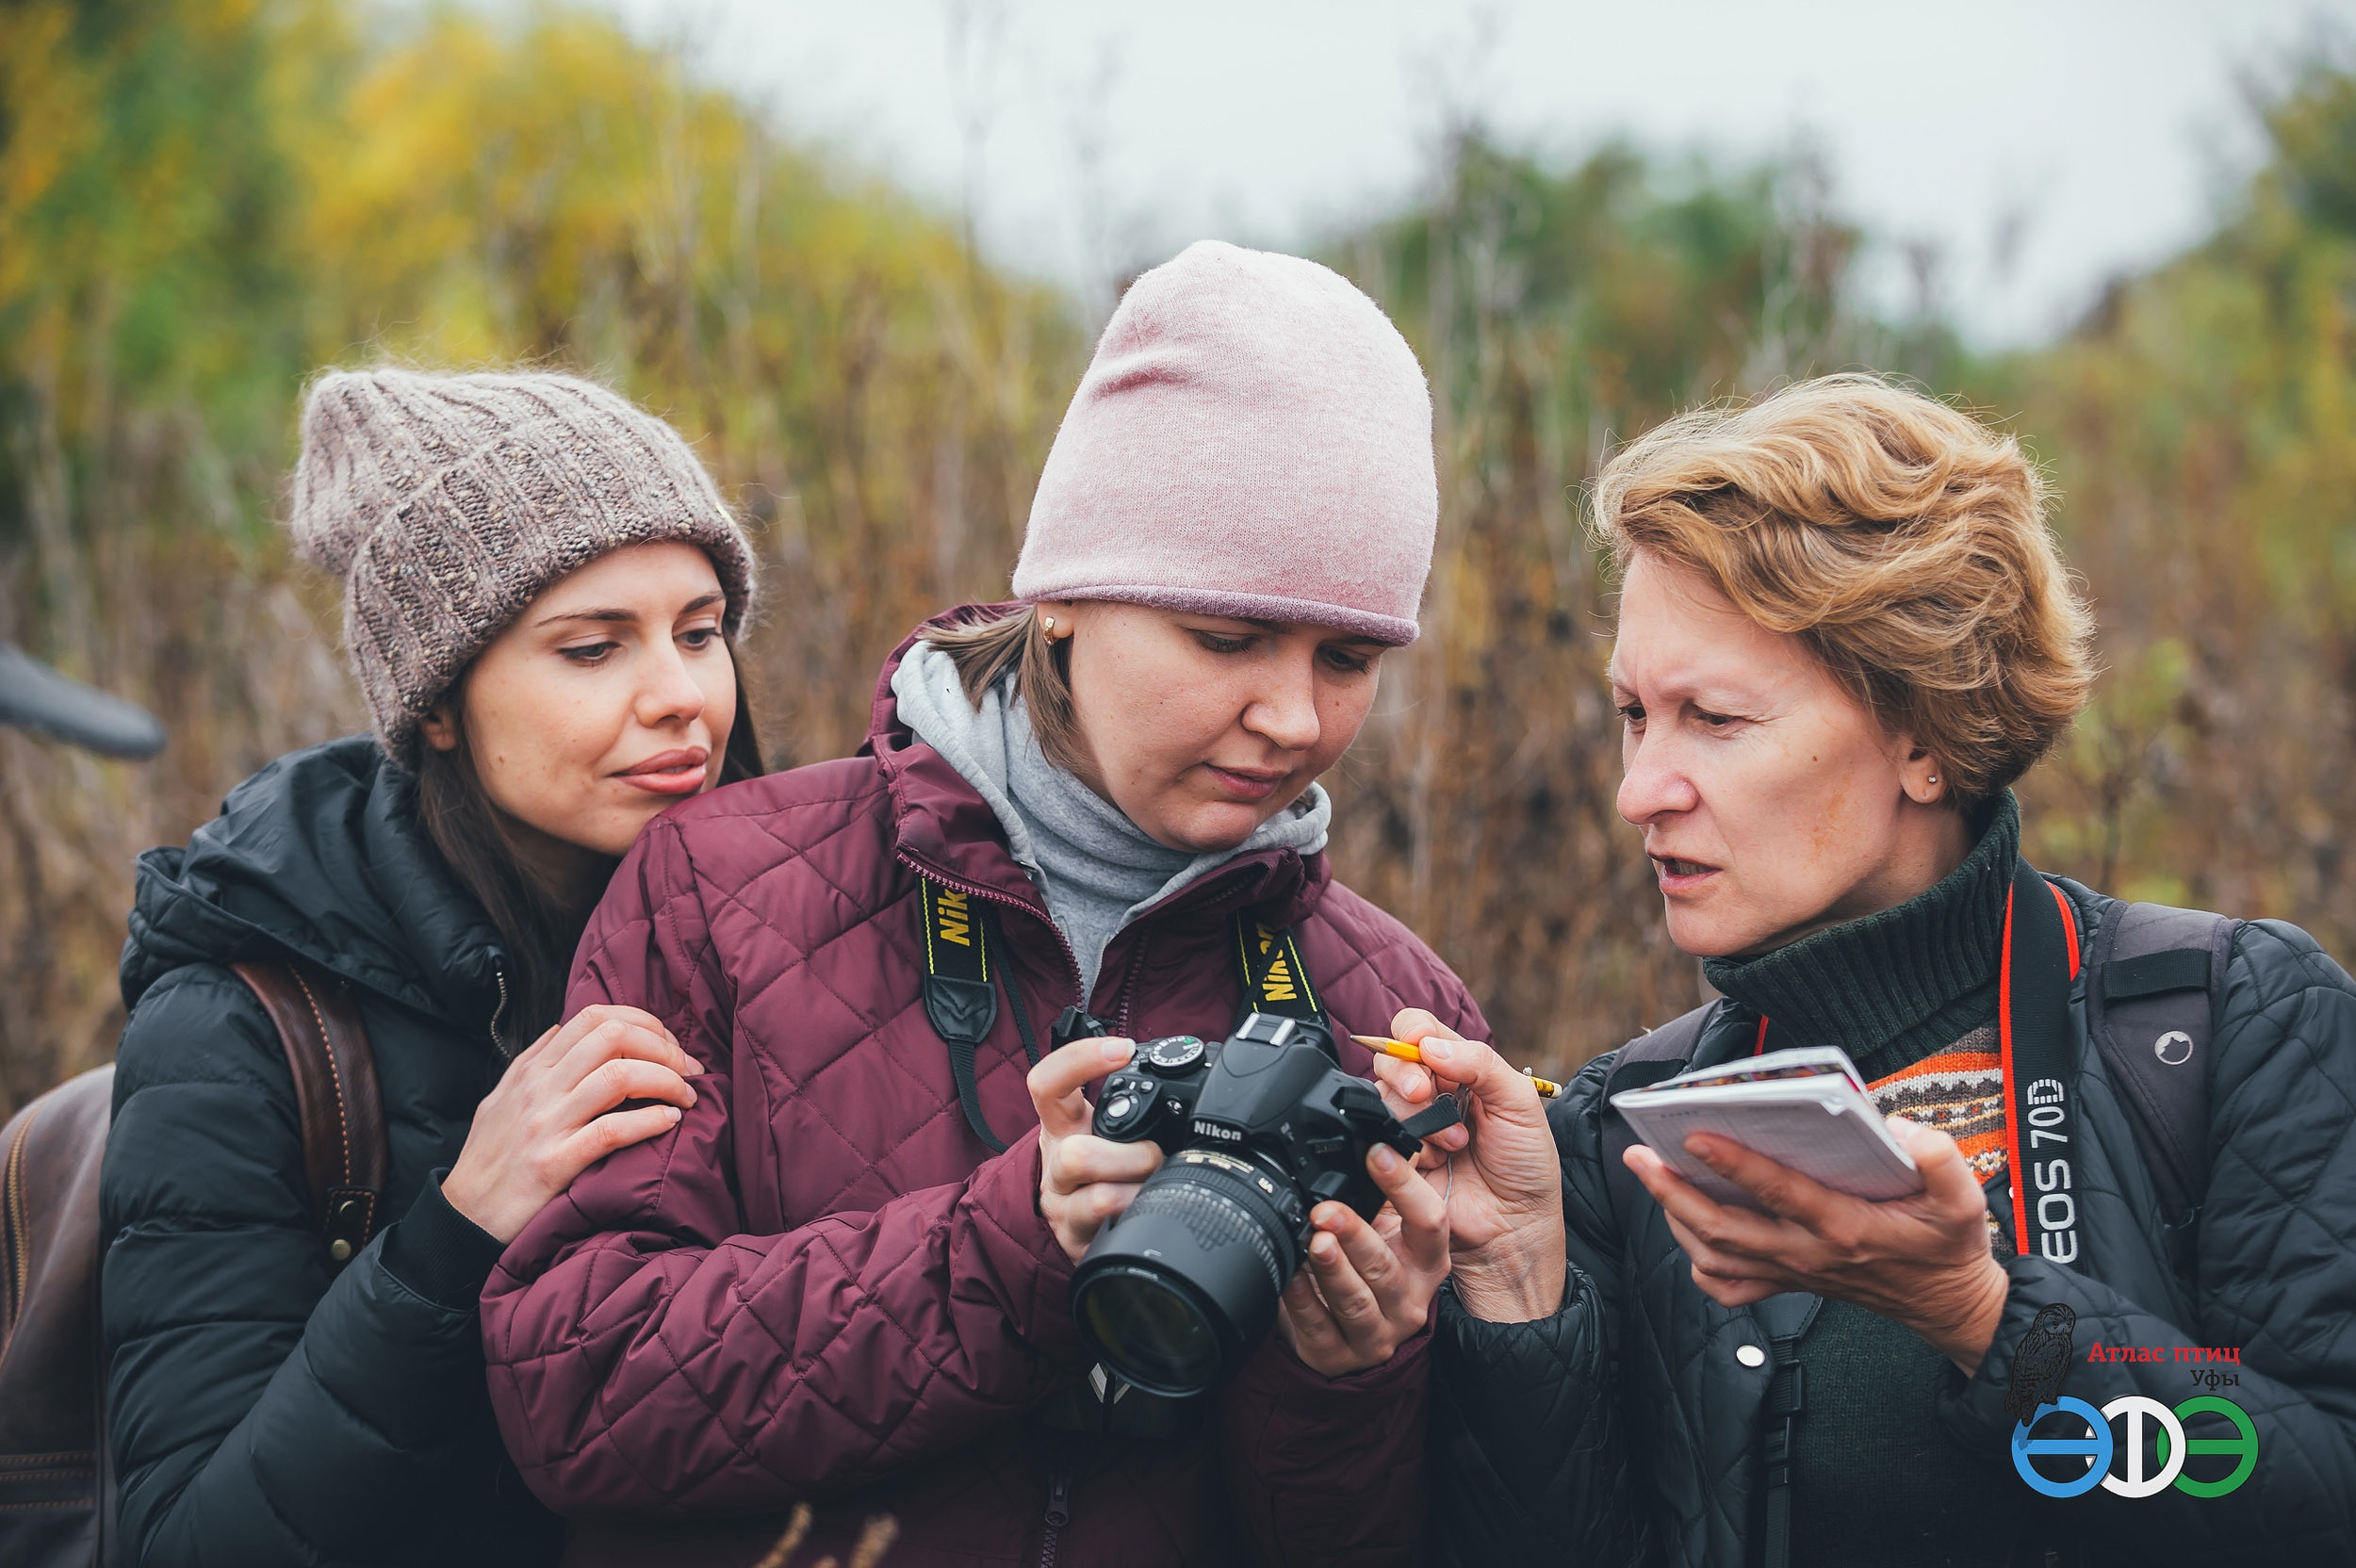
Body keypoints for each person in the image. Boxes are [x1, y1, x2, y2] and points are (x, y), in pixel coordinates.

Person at [479, 240, 1479, 1567]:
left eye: (1348, 658)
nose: (1292, 718)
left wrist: (1345, 1374)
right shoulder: (720, 891)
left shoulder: (1394, 1014)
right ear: (1060, 598)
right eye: (1227, 640)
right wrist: (1014, 1246)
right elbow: (577, 1393)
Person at [1393, 375, 2356, 1566]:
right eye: (1634, 714)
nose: (1638, 789)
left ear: (1921, 732)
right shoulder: (1620, 1132)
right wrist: (1515, 1282)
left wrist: (1982, 1315)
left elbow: (2318, 1488)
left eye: (1715, 717)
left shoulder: (2224, 1026)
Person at [100, 368, 763, 1568]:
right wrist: (457, 1226)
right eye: (591, 647)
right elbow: (186, 1541)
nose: (680, 697)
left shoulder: (789, 931)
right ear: (439, 703)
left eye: (701, 630)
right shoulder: (239, 1032)